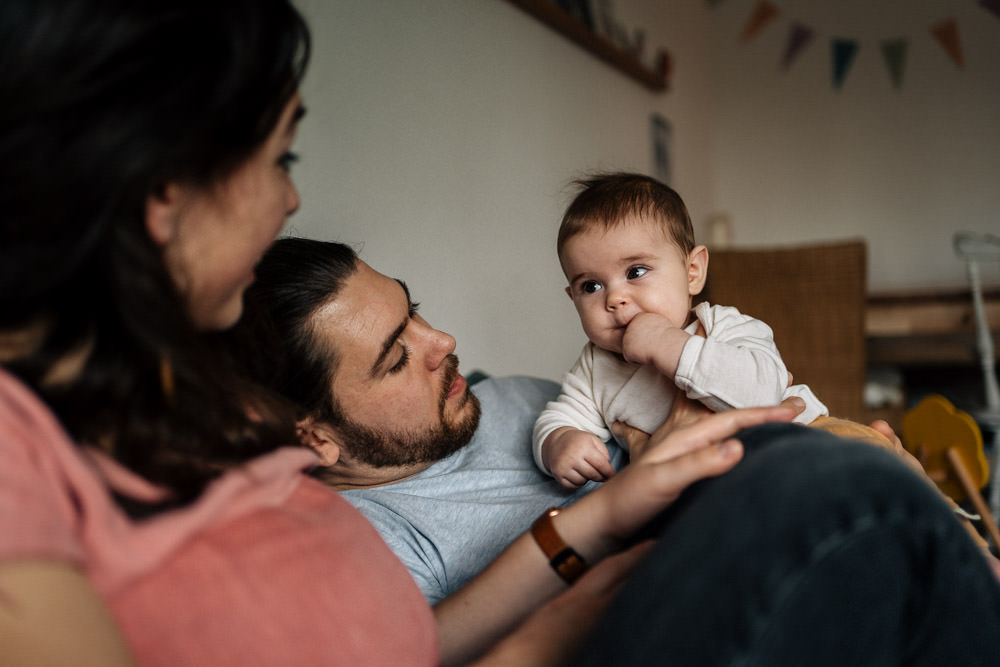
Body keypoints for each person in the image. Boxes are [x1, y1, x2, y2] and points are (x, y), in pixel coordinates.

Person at [2, 3, 999, 667]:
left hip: (666, 544)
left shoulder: (223, 434)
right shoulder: (54, 457)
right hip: (655, 578)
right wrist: (597, 532)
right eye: (279, 153)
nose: (442, 341)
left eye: (416, 312)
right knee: (835, 492)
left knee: (853, 483)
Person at [229, 237, 628, 603]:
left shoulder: (505, 393)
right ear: (315, 438)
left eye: (413, 312)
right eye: (396, 359)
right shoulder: (369, 547)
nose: (443, 341)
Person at [534, 172, 828, 488]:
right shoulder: (595, 368)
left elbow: (764, 395)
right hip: (722, 491)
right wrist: (558, 443)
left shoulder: (723, 326)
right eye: (590, 285)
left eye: (636, 271)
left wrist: (670, 345)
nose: (615, 298)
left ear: (693, 272)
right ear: (572, 298)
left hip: (801, 449)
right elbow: (558, 418)